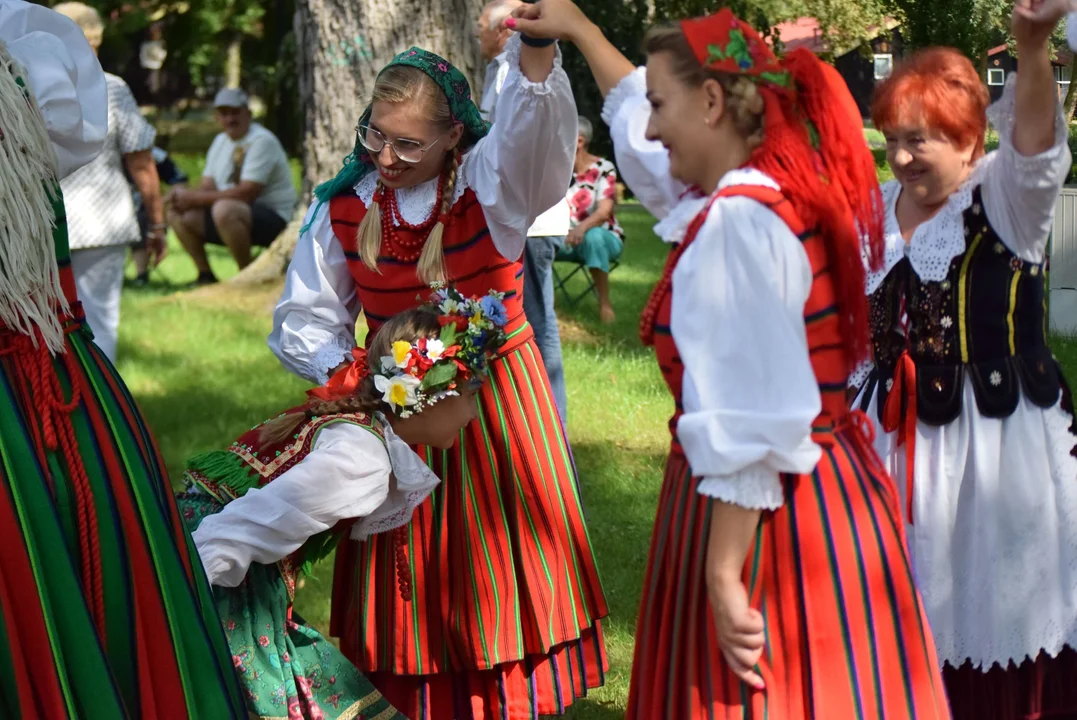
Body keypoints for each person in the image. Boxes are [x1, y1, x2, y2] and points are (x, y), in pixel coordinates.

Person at [511, 1, 950, 717]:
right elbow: (644, 138)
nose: (649, 128)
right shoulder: (780, 186)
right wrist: (583, 32)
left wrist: (722, 573)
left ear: (712, 101)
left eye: (662, 105)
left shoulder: (737, 224)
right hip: (829, 491)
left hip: (765, 515)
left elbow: (751, 418)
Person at [269, 32, 607, 719]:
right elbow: (303, 317)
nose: (385, 157)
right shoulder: (346, 202)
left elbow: (540, 150)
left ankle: (508, 701)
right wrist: (363, 378)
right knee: (410, 573)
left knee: (498, 560)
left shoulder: (494, 185)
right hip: (394, 409)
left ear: (455, 136)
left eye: (408, 145)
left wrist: (534, 58)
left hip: (496, 410)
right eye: (376, 136)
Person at [0, 2, 246, 717]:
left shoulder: (27, 51)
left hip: (43, 380)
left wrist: (158, 218)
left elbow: (132, 156)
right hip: (59, 383)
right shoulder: (31, 53)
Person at [847, 2, 1077, 717]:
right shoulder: (875, 208)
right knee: (881, 605)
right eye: (892, 140)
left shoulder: (1003, 200)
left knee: (985, 602)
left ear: (970, 142)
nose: (903, 157)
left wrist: (1031, 47)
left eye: (920, 141)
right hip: (883, 439)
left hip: (990, 449)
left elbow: (1036, 145)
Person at [179, 291, 507, 720]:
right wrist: (170, 594)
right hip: (213, 574)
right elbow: (240, 530)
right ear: (431, 394)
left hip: (232, 569)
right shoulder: (361, 460)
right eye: (469, 395)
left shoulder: (358, 429)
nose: (473, 415)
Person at [52, 1, 165, 364]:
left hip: (47, 221)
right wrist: (157, 224)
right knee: (100, 322)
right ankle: (103, 411)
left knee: (47, 324)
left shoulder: (28, 89)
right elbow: (141, 162)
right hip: (103, 222)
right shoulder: (112, 88)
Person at [478, 0, 571, 421]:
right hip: (525, 217)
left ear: (503, 31)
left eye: (482, 27)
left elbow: (513, 143)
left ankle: (550, 421)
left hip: (527, 221)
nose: (477, 36)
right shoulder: (501, 71)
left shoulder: (511, 75)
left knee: (536, 326)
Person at [166, 88, 297, 286]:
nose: (229, 119)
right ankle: (205, 276)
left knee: (225, 208)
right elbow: (207, 185)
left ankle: (246, 275)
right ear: (217, 117)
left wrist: (193, 198)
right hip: (233, 215)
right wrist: (182, 196)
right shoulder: (221, 140)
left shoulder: (262, 140)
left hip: (275, 217)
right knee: (177, 212)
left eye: (235, 112)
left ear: (248, 114)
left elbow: (247, 192)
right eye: (223, 113)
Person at [560, 115, 624, 323]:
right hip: (564, 238)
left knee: (594, 237)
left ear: (579, 141)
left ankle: (605, 305)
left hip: (604, 236)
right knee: (533, 240)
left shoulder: (604, 168)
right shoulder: (557, 171)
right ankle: (538, 305)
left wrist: (581, 229)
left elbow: (604, 211)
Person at [130, 145, 188, 287]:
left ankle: (141, 275)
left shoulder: (156, 155)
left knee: (144, 213)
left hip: (139, 209)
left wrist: (160, 202)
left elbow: (180, 181)